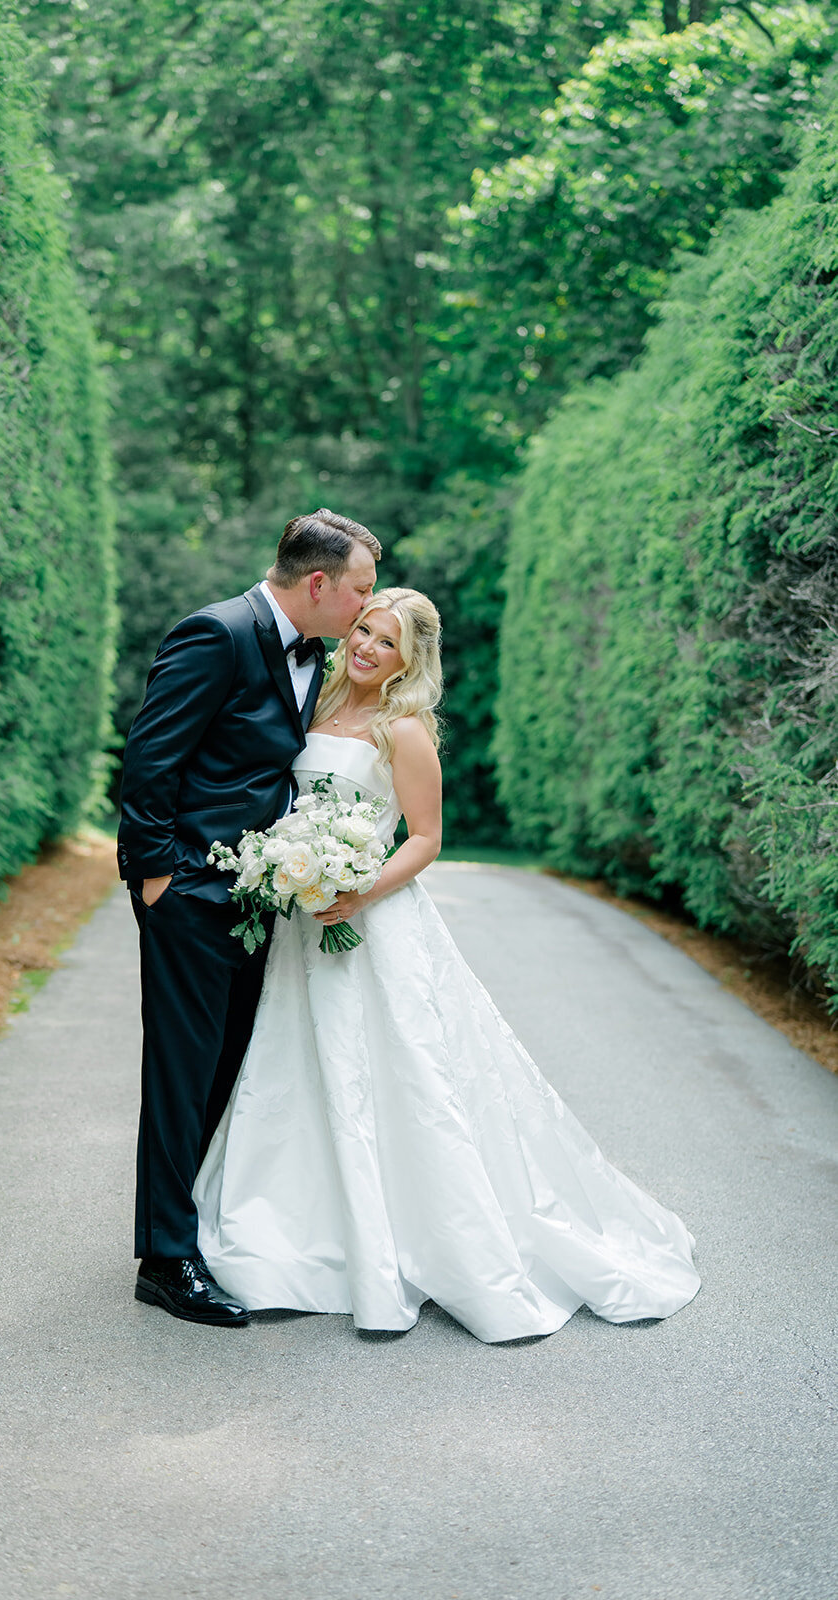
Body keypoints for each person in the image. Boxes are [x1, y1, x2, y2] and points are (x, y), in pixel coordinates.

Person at [194, 588, 701, 1342]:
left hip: (371, 920)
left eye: (386, 642)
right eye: (363, 630)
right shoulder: (316, 700)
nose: (365, 647)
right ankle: (290, 1232)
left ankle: (421, 1237)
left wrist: (357, 891)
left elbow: (425, 839)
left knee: (404, 1074)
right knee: (298, 1065)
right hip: (303, 924)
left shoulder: (403, 730)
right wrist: (289, 870)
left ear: (409, 661)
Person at [118, 509, 382, 1326]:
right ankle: (165, 1260)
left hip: (261, 900)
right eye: (359, 590)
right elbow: (151, 761)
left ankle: (195, 1230)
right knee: (182, 1073)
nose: (365, 609)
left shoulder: (318, 658)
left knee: (228, 1070)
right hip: (192, 893)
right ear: (317, 582)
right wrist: (159, 878)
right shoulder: (216, 634)